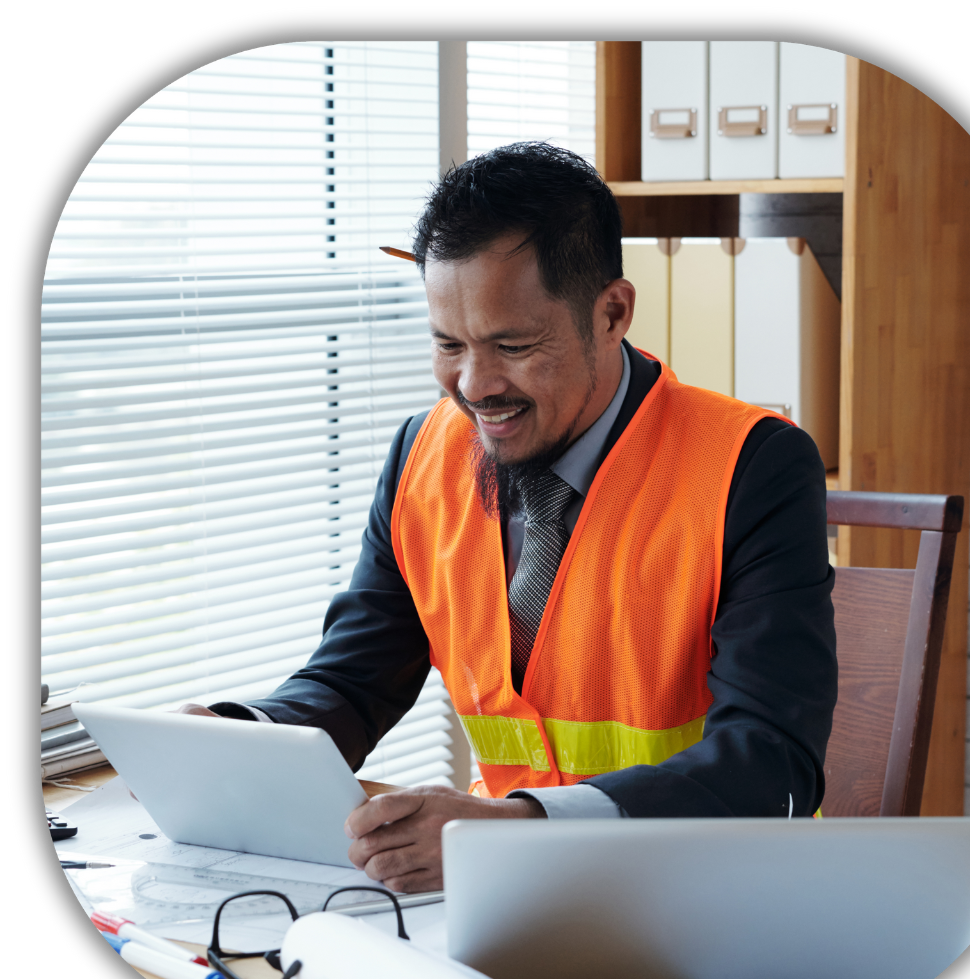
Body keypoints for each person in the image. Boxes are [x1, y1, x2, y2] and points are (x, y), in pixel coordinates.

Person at [180, 143, 837, 893]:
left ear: (612, 313)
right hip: (520, 897)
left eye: (514, 346)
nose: (473, 385)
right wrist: (243, 736)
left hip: (720, 893)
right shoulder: (420, 454)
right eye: (447, 344)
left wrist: (525, 827)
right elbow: (357, 681)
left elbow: (772, 765)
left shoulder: (755, 468)